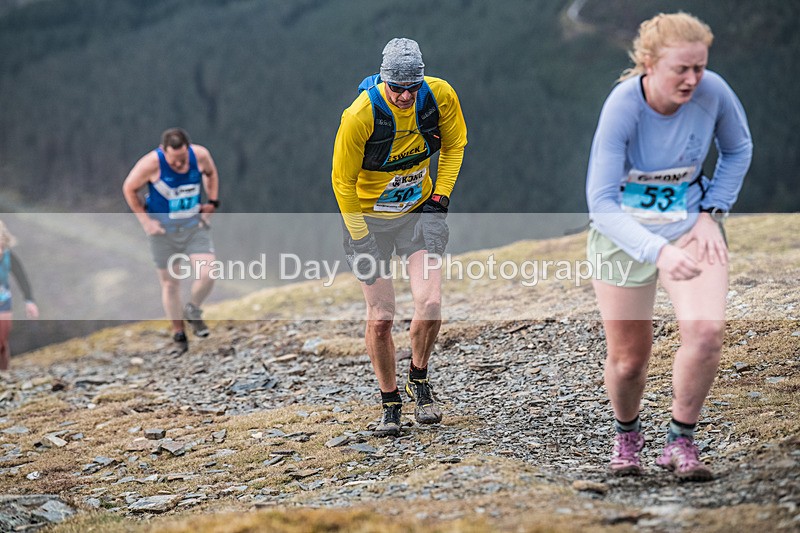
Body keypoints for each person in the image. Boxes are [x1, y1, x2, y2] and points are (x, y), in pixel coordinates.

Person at [586, 13, 752, 481]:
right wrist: (657, 252)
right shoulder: (623, 105)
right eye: (682, 69)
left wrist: (710, 213)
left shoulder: (714, 92)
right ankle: (627, 437)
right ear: (648, 64)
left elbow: (738, 149)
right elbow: (600, 203)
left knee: (705, 336)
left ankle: (681, 441)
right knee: (628, 360)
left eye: (699, 67)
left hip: (691, 226)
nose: (693, 79)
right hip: (623, 233)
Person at [332, 38, 468, 436]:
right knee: (381, 318)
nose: (406, 95)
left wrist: (438, 204)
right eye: (397, 88)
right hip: (367, 220)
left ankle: (419, 378)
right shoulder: (360, 116)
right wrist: (360, 239)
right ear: (383, 81)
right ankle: (390, 402)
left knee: (430, 304)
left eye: (413, 86)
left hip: (415, 215)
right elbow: (342, 183)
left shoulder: (439, 96)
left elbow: (455, 145)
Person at [123, 128, 220, 354]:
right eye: (174, 161)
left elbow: (211, 174)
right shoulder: (150, 164)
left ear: (188, 149)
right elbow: (129, 188)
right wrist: (145, 222)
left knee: (208, 273)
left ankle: (193, 309)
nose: (179, 165)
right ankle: (179, 334)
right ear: (163, 151)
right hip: (163, 232)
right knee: (170, 284)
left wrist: (213, 203)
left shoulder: (200, 155)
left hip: (194, 226)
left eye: (183, 159)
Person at [0, 220, 39, 371]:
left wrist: (29, 301)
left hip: (4, 302)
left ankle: (4, 372)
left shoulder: (10, 257)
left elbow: (21, 278)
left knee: (2, 340)